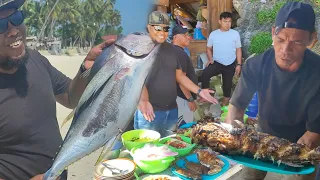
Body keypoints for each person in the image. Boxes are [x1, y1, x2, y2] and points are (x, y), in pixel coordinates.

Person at [0, 0, 116, 179]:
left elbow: (71, 98)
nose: (14, 30)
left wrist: (86, 68)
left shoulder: (34, 59)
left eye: (16, 17)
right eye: (1, 25)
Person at [225, 2, 320, 180]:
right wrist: (235, 135)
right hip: (262, 136)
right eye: (281, 39)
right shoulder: (255, 65)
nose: (285, 50)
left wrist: (289, 155)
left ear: (311, 40)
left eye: (297, 42)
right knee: (248, 176)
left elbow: (312, 136)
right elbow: (235, 109)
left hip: (303, 142)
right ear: (273, 33)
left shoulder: (318, 74)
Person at [134, 11, 217, 137]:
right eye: (158, 28)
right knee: (148, 150)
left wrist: (200, 91)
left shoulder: (172, 50)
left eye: (166, 28)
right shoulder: (140, 50)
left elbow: (180, 76)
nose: (162, 32)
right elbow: (135, 78)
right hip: (150, 113)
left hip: (172, 111)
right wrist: (144, 100)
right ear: (149, 27)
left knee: (170, 148)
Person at [200, 12, 242, 106]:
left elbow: (238, 50)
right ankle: (205, 96)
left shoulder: (235, 34)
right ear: (220, 21)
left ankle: (224, 106)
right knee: (205, 74)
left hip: (230, 63)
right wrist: (210, 59)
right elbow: (208, 48)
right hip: (217, 62)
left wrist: (239, 64)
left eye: (229, 21)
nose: (228, 24)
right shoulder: (214, 34)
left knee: (227, 86)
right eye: (225, 21)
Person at [171, 25, 198, 125]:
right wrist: (190, 99)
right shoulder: (180, 53)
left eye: (188, 35)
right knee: (185, 128)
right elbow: (181, 79)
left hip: (177, 97)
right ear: (175, 37)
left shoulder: (172, 50)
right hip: (182, 99)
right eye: (184, 35)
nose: (188, 37)